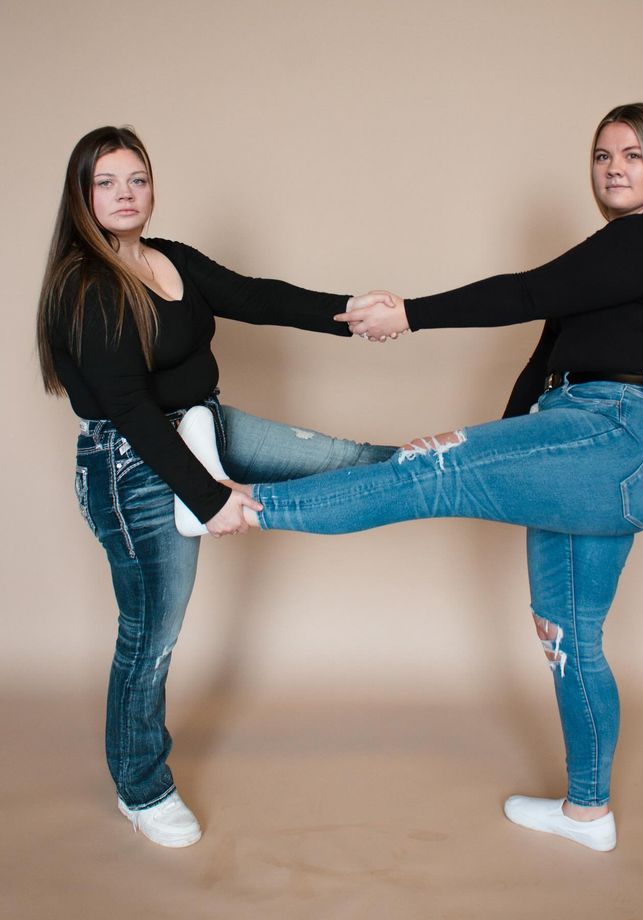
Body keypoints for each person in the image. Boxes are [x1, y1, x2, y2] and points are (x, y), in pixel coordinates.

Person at [233, 103, 643, 851]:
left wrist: (410, 314)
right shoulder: (608, 256)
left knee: (430, 466)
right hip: (584, 435)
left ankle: (244, 507)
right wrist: (507, 437)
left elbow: (525, 294)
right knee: (567, 635)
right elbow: (544, 358)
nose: (614, 167)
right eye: (603, 155)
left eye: (633, 156)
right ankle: (590, 813)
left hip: (623, 434)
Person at [36, 126, 396, 847]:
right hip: (132, 463)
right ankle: (142, 788)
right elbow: (134, 411)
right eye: (107, 182)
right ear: (83, 195)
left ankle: (465, 468)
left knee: (352, 459)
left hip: (203, 425)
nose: (125, 193)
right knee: (152, 637)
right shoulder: (86, 285)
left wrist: (354, 311)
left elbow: (258, 296)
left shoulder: (171, 259)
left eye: (136, 178)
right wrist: (210, 498)